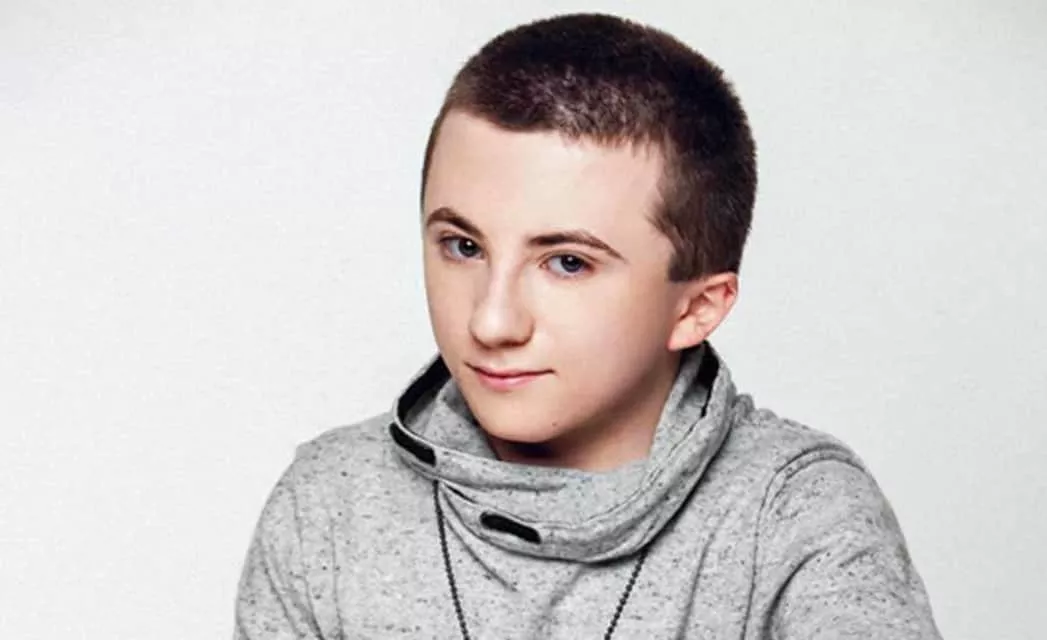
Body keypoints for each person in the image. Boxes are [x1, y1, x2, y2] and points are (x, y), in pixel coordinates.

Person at [234, 12, 941, 639]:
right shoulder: (329, 504)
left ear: (697, 307)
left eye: (567, 263)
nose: (491, 321)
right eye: (463, 246)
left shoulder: (792, 514)